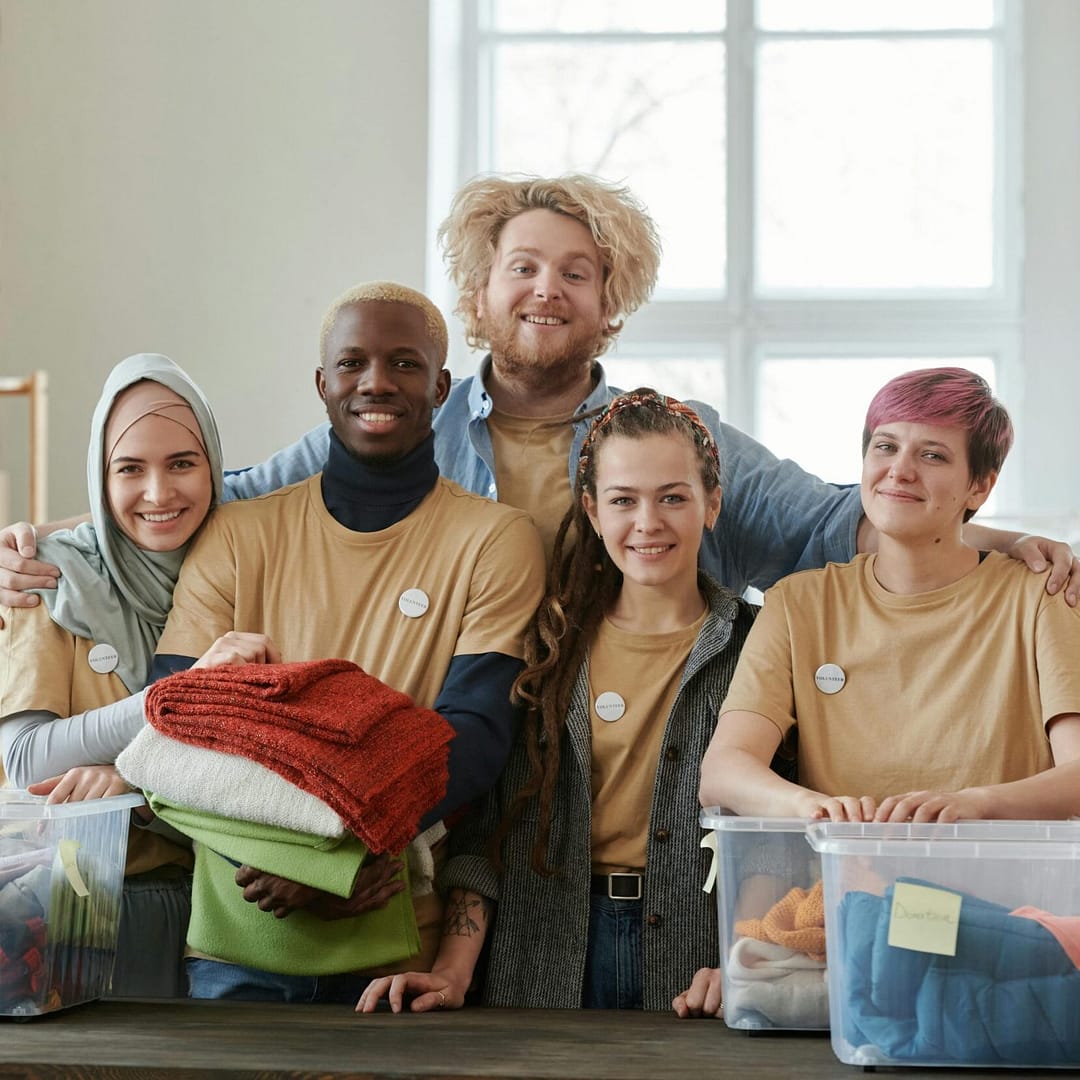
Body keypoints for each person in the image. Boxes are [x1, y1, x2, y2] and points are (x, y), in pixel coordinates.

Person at [6, 176, 1076, 606]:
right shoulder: (400, 425)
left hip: (629, 759)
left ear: (613, 302)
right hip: (452, 763)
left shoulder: (680, 440)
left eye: (577, 271)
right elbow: (214, 501)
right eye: (523, 266)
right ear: (478, 290)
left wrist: (1009, 542)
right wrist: (49, 545)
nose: (547, 289)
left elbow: (838, 526)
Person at [142, 281, 545, 1002]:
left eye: (404, 363)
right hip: (237, 940)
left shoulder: (496, 539)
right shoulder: (236, 536)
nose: (377, 383)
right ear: (322, 383)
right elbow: (172, 728)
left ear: (443, 386)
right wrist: (311, 859)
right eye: (353, 363)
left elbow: (476, 735)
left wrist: (338, 856)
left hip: (397, 952)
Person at [356, 389, 751, 1019]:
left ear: (713, 504)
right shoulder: (547, 645)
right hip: (542, 947)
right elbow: (490, 831)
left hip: (700, 959)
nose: (647, 522)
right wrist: (452, 972)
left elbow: (778, 836)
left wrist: (750, 955)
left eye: (673, 496)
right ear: (593, 511)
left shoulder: (756, 644)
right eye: (623, 500)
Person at [699, 367, 1080, 824]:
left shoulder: (1041, 596)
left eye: (933, 455)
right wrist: (813, 809)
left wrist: (976, 805)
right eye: (886, 446)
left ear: (980, 485)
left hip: (1005, 891)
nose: (900, 470)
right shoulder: (796, 604)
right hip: (848, 887)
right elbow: (723, 770)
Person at [0, 352, 224, 997]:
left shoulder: (237, 571)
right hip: (62, 907)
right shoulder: (48, 575)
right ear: (101, 479)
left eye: (183, 462)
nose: (159, 493)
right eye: (130, 469)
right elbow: (25, 757)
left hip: (212, 911)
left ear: (214, 464)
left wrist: (132, 774)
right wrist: (178, 700)